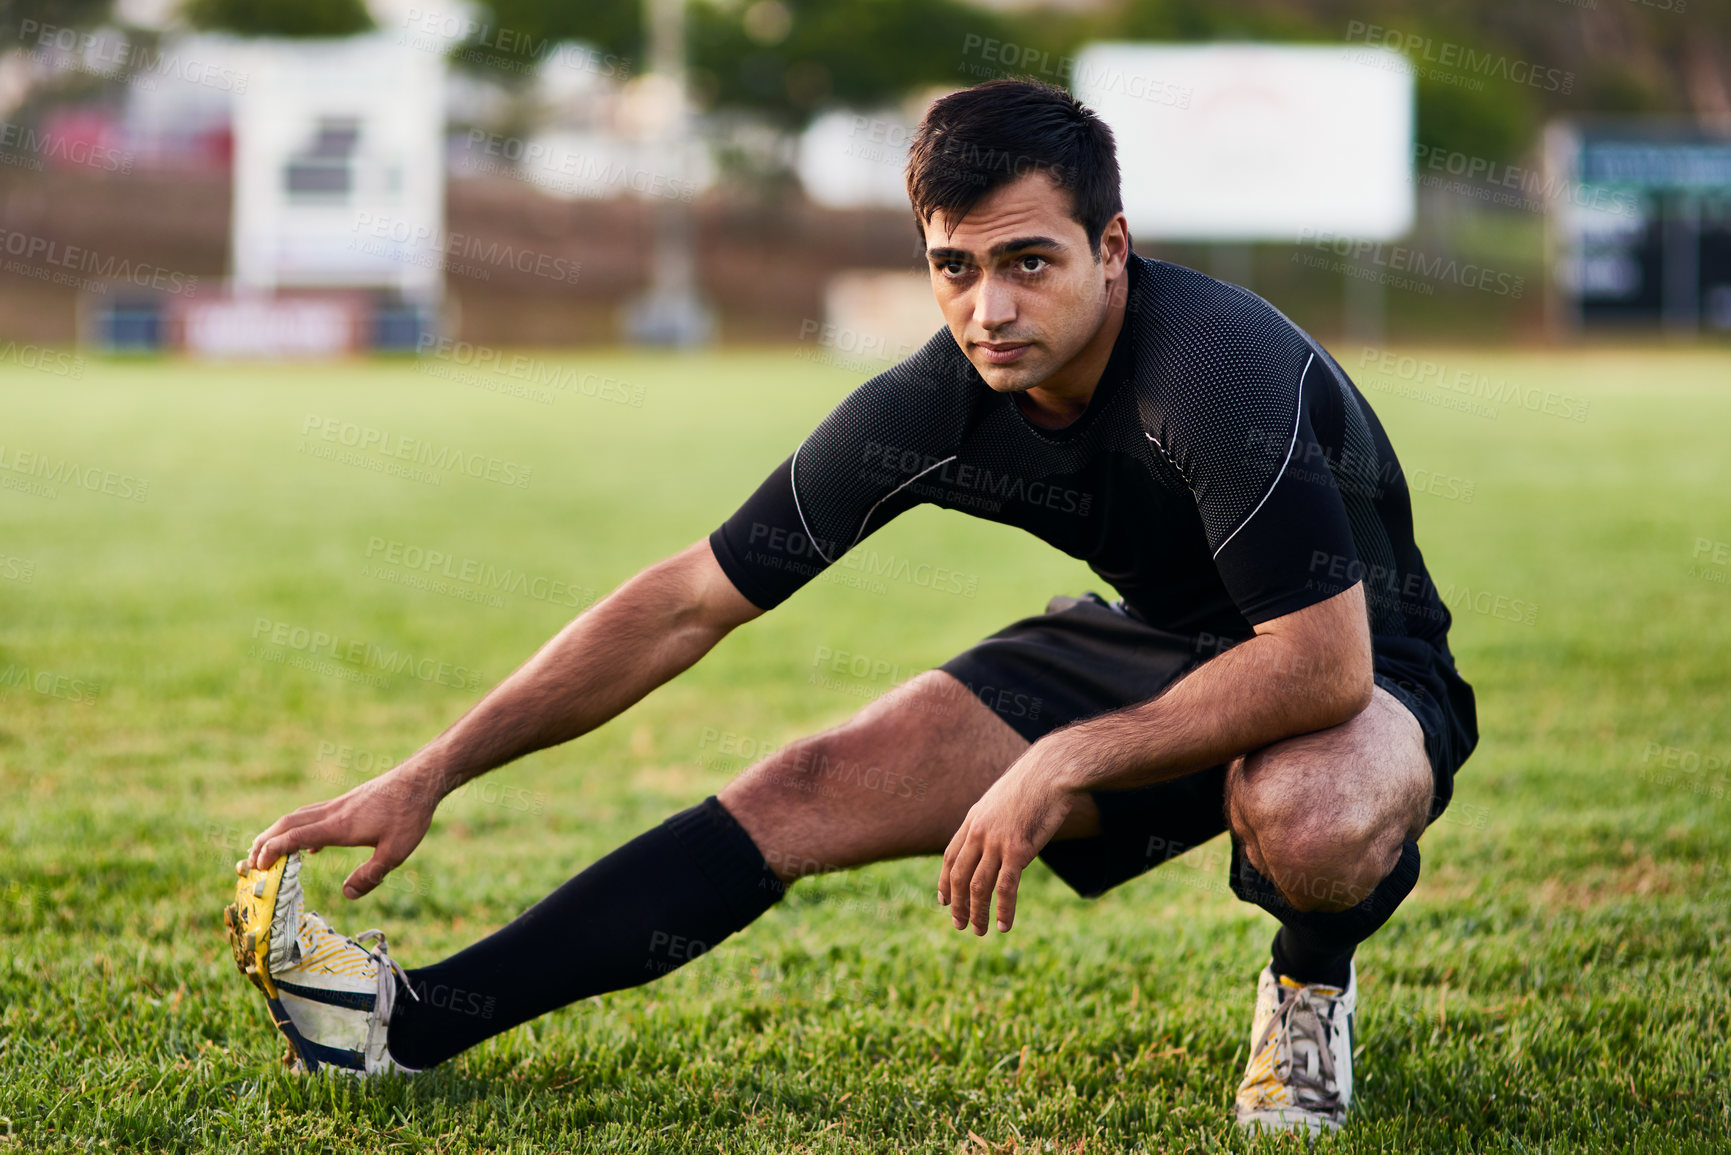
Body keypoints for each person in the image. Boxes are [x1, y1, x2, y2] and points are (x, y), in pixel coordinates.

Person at [224, 78, 1476, 1136]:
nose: (989, 309)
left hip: (1370, 664)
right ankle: (411, 1024)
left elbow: (1320, 670)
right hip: (1147, 640)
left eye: (1030, 262)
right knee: (798, 790)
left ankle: (1309, 984)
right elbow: (686, 602)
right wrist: (432, 773)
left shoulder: (1214, 369)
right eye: (956, 267)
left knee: (1304, 815)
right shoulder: (934, 404)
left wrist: (1068, 758)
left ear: (1112, 249)